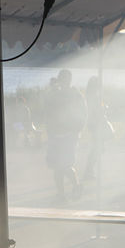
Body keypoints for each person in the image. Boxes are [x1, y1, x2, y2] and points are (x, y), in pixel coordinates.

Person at [45, 70, 86, 201]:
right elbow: (48, 111)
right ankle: (61, 194)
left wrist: (77, 130)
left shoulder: (76, 95)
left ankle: (76, 185)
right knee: (56, 165)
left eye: (66, 79)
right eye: (61, 79)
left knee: (65, 164)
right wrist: (50, 130)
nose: (63, 81)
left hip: (69, 135)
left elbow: (83, 114)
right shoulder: (54, 94)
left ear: (69, 80)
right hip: (55, 134)